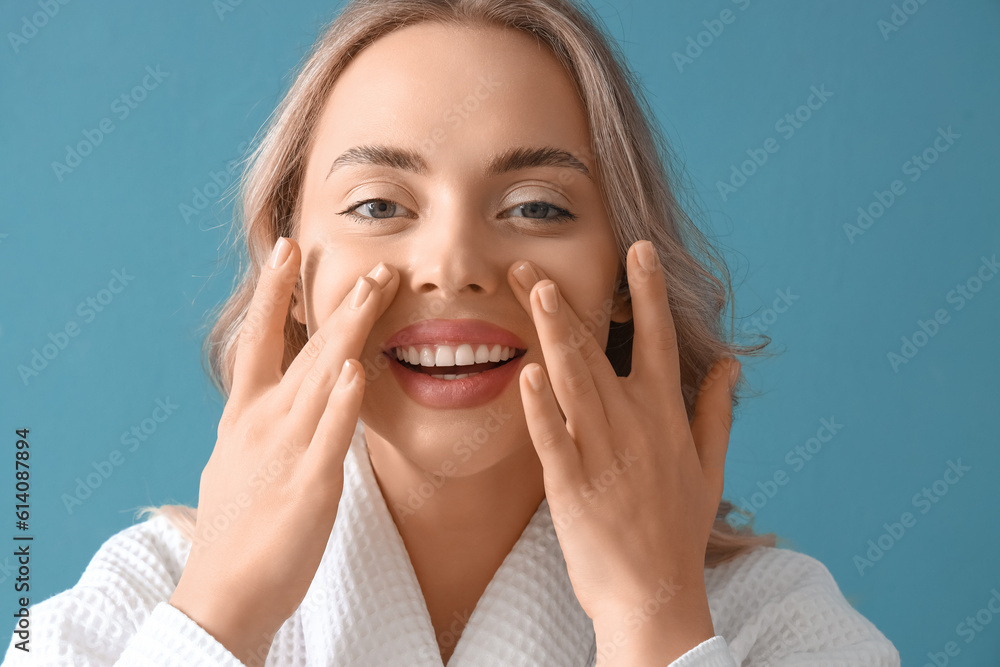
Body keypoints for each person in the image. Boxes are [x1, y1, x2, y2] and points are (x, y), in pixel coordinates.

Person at [4, 0, 901, 665]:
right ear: (292, 268)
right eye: (379, 204)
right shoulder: (135, 598)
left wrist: (651, 621)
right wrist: (221, 610)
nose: (453, 262)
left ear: (629, 277)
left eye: (537, 205)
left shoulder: (778, 623)